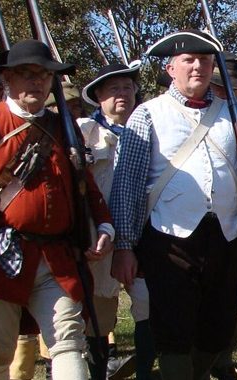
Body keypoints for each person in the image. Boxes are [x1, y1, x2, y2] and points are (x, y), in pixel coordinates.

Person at [108, 30, 237, 380]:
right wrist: (124, 245)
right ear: (171, 68)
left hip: (226, 236)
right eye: (189, 60)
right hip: (168, 238)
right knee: (174, 328)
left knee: (218, 327)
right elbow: (127, 185)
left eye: (204, 60)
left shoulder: (236, 115)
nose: (198, 67)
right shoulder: (147, 114)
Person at [0, 39, 115, 380]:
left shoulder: (62, 127)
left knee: (68, 342)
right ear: (8, 79)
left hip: (56, 257)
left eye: (43, 75)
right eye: (26, 74)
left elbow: (85, 184)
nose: (36, 82)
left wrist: (104, 225)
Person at [77, 59, 146, 380]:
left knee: (148, 305)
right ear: (99, 97)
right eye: (114, 88)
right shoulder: (83, 132)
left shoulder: (152, 128)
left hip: (145, 232)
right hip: (98, 236)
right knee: (98, 314)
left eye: (127, 87)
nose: (122, 94)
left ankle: (146, 368)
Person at [204, 51, 237, 380]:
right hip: (195, 221)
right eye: (222, 87)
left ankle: (221, 355)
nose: (227, 94)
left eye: (231, 89)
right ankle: (212, 361)